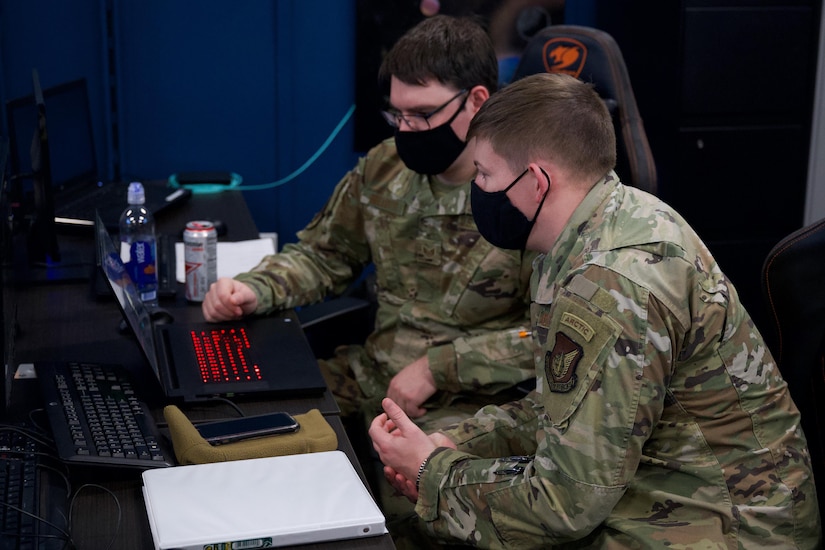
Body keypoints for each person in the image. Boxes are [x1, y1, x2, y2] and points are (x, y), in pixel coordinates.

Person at [369, 72, 822, 548]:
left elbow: (564, 506)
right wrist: (457, 444)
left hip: (730, 524)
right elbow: (558, 412)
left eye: (484, 174)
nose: (475, 188)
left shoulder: (608, 285)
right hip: (664, 482)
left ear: (538, 181)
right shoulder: (593, 224)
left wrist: (432, 474)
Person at [201, 15, 535, 433]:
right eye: (398, 114)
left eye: (422, 114)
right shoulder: (385, 167)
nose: (406, 129)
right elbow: (327, 255)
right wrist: (255, 289)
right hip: (375, 374)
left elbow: (551, 335)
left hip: (470, 401)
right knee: (234, 415)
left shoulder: (522, 193)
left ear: (477, 100)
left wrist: (439, 369)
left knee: (414, 484)